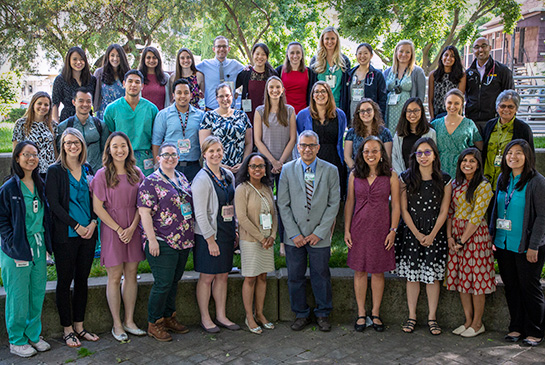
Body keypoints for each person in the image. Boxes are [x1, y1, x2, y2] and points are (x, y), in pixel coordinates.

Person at [278, 130, 341, 332]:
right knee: (295, 276)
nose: (307, 149)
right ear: (298, 147)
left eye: (311, 145)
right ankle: (300, 314)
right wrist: (294, 233)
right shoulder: (287, 170)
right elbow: (283, 204)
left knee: (321, 275)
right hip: (294, 236)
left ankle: (323, 313)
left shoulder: (330, 170)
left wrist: (320, 232)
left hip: (318, 236)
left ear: (318, 148)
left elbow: (334, 203)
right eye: (303, 145)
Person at [45, 128, 99, 347]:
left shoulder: (88, 168)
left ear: (82, 144)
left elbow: (97, 198)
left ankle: (79, 325)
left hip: (88, 233)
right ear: (62, 145)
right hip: (66, 235)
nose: (72, 146)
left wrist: (94, 222)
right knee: (65, 281)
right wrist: (76, 225)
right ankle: (67, 329)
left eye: (76, 142)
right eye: (68, 143)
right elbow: (54, 204)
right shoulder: (55, 171)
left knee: (83, 281)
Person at [90, 132, 146, 342]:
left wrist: (132, 227)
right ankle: (117, 324)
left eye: (123, 145)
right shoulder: (101, 175)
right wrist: (118, 229)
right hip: (112, 230)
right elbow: (97, 207)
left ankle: (130, 321)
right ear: (109, 150)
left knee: (131, 274)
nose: (120, 150)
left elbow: (143, 203)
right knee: (114, 277)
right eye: (115, 146)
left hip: (133, 227)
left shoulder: (137, 173)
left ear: (129, 149)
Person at [489, 139, 545, 347]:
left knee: (529, 287)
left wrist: (534, 246)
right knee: (511, 287)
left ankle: (535, 330)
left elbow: (542, 217)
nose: (513, 156)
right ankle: (516, 326)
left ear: (527, 155)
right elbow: (497, 209)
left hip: (527, 246)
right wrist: (492, 236)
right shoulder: (503, 178)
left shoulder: (537, 181)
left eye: (518, 153)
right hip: (504, 244)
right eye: (509, 153)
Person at [0, 141, 53, 358]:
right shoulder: (9, 188)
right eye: (26, 154)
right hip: (17, 250)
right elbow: (2, 219)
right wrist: (14, 242)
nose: (31, 158)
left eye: (35, 154)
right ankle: (17, 340)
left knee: (36, 292)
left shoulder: (41, 184)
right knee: (18, 296)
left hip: (38, 248)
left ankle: (33, 335)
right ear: (17, 157)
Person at [138, 142, 195, 341]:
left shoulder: (181, 177)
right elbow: (144, 212)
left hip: (183, 240)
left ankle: (169, 317)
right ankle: (154, 323)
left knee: (173, 281)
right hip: (162, 240)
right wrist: (151, 240)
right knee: (163, 283)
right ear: (158, 158)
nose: (170, 158)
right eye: (166, 155)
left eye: (174, 154)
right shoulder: (150, 182)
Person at [395, 137, 452, 336]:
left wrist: (432, 234)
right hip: (412, 232)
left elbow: (445, 210)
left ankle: (432, 317)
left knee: (432, 278)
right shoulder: (405, 178)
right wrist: (418, 233)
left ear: (435, 155)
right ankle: (412, 316)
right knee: (412, 277)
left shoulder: (444, 179)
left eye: (428, 152)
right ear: (414, 156)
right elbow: (403, 209)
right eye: (419, 153)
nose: (423, 156)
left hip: (435, 232)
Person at [344, 136, 400, 332]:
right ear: (361, 153)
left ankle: (375, 313)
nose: (370, 154)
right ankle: (361, 313)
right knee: (359, 270)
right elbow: (350, 202)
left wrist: (393, 230)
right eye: (366, 151)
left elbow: (397, 207)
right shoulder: (354, 175)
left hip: (381, 229)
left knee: (377, 271)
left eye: (375, 150)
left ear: (381, 154)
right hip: (359, 229)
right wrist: (346, 230)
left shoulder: (391, 176)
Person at [192, 136, 240, 333]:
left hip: (227, 232)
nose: (216, 154)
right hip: (208, 236)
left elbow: (233, 205)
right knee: (207, 277)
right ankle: (206, 318)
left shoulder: (228, 175)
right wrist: (210, 240)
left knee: (223, 275)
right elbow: (200, 214)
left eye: (218, 150)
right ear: (204, 155)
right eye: (211, 151)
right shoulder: (201, 180)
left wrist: (235, 229)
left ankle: (221, 315)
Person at [446, 148, 495, 338]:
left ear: (479, 164)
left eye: (472, 161)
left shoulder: (483, 186)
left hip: (475, 238)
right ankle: (467, 320)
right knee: (462, 280)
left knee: (477, 282)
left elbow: (476, 217)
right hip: (456, 236)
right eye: (464, 160)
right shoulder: (456, 185)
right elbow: (450, 212)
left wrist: (461, 240)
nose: (467, 164)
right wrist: (450, 237)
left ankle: (477, 323)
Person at [254, 76, 297, 257]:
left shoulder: (289, 111)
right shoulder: (259, 111)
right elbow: (257, 140)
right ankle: (265, 239)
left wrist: (281, 162)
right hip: (265, 166)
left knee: (284, 205)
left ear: (282, 90)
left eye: (277, 87)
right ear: (267, 90)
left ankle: (283, 242)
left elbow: (293, 138)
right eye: (271, 87)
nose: (274, 90)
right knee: (265, 206)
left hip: (286, 165)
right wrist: (272, 161)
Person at [234, 153, 277, 334]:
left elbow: (274, 214)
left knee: (263, 277)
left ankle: (260, 313)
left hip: (268, 241)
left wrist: (273, 236)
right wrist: (261, 238)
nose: (257, 169)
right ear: (247, 168)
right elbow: (242, 218)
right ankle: (249, 316)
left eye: (261, 166)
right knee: (250, 278)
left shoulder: (267, 188)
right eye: (253, 166)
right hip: (251, 241)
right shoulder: (242, 189)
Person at [297, 81, 347, 198]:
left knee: (334, 198)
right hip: (312, 162)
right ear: (312, 96)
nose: (320, 94)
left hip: (334, 161)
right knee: (312, 197)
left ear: (329, 94)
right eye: (317, 92)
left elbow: (340, 140)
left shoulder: (340, 115)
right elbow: (300, 137)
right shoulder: (302, 115)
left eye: (323, 91)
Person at [104, 69, 159, 176]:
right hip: (121, 157)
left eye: (137, 82)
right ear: (124, 84)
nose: (133, 85)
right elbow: (109, 135)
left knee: (146, 190)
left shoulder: (151, 109)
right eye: (130, 81)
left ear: (142, 86)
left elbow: (156, 138)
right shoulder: (112, 109)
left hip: (146, 160)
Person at [152, 78, 205, 182]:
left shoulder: (201, 115)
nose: (182, 96)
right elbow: (156, 142)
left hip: (194, 166)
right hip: (170, 165)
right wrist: (157, 165)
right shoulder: (163, 115)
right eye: (179, 93)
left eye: (186, 93)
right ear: (173, 95)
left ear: (191, 95)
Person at [482, 90, 534, 191]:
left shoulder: (523, 129)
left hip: (510, 182)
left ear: (516, 109)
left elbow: (530, 157)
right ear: (497, 108)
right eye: (502, 106)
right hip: (486, 181)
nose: (506, 109)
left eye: (510, 107)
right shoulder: (489, 125)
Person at [199, 83, 253, 174]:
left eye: (227, 95)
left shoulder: (242, 115)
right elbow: (204, 146)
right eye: (221, 96)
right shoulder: (209, 117)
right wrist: (220, 165)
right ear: (216, 98)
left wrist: (243, 163)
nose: (225, 99)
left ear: (232, 96)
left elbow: (249, 143)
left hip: (240, 168)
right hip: (217, 168)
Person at [466, 37, 515, 135]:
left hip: (494, 120)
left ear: (490, 48)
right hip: (472, 120)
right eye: (477, 47)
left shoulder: (502, 71)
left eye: (484, 46)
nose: (480, 50)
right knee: (474, 150)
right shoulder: (468, 73)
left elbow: (510, 96)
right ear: (473, 50)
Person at [431, 89, 483, 177]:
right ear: (445, 103)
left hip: (462, 168)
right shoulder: (435, 124)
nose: (452, 106)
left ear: (462, 105)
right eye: (449, 103)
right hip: (440, 168)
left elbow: (480, 146)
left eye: (456, 103)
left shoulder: (469, 124)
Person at [56, 88, 109, 173]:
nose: (85, 104)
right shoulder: (64, 126)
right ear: (74, 102)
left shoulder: (100, 125)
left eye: (88, 101)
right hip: (72, 174)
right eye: (81, 101)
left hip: (96, 174)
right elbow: (60, 153)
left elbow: (105, 151)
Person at [383, 40, 426, 132]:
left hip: (408, 113)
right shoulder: (387, 72)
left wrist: (415, 113)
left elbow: (420, 97)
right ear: (396, 53)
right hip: (390, 113)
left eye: (407, 52)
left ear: (412, 54)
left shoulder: (417, 72)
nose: (404, 54)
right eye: (401, 51)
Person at [12, 92, 57, 177]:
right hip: (29, 169)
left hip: (49, 170)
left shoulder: (53, 125)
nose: (42, 107)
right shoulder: (21, 124)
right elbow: (16, 149)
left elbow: (54, 148)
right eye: (39, 103)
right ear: (33, 104)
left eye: (46, 105)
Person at [344, 98, 393, 170]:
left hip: (379, 173)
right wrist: (358, 172)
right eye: (362, 111)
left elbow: (387, 157)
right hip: (357, 173)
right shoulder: (351, 133)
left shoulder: (385, 133)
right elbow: (347, 157)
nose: (366, 113)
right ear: (358, 114)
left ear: (374, 112)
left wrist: (375, 173)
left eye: (369, 110)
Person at [197, 36, 244, 110]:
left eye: (224, 46)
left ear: (229, 49)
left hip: (230, 111)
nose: (221, 49)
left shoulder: (235, 65)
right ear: (213, 49)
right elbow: (188, 70)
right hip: (211, 111)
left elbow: (249, 70)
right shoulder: (204, 65)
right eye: (218, 46)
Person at [391, 97, 436, 175]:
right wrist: (402, 177)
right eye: (409, 111)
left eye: (416, 111)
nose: (412, 114)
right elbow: (394, 157)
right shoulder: (399, 135)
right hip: (404, 179)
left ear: (422, 111)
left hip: (424, 177)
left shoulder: (430, 133)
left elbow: (433, 156)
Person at [235, 43, 278, 124]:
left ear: (267, 57)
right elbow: (233, 86)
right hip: (249, 116)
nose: (260, 57)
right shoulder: (246, 73)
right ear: (253, 55)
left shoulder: (272, 74)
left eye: (263, 54)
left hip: (268, 116)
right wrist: (236, 92)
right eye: (257, 54)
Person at [309, 26, 351, 107]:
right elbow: (311, 86)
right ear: (322, 40)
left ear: (337, 40)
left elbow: (346, 87)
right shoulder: (315, 61)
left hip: (338, 105)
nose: (329, 41)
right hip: (320, 105)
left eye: (332, 38)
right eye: (327, 38)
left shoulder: (344, 61)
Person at [52, 46, 96, 122]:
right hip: (67, 120)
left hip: (87, 120)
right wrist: (56, 124)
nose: (78, 62)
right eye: (75, 59)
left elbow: (95, 101)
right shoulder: (60, 79)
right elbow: (55, 104)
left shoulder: (92, 80)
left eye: (81, 59)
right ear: (69, 60)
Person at [344, 43, 387, 119]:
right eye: (359, 53)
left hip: (370, 117)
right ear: (356, 56)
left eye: (365, 53)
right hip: (352, 115)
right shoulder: (349, 74)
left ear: (371, 55)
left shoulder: (377, 75)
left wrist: (379, 118)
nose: (362, 56)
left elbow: (382, 99)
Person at [428, 46, 467, 120]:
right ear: (441, 57)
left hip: (455, 116)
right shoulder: (433, 75)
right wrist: (432, 118)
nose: (448, 58)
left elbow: (460, 99)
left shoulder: (461, 76)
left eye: (452, 56)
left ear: (456, 59)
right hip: (437, 116)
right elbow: (430, 100)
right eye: (446, 55)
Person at [275, 42, 315, 114]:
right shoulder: (279, 71)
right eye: (292, 53)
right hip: (284, 113)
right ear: (287, 54)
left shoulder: (310, 73)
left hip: (304, 113)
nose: (295, 55)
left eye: (298, 52)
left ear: (302, 54)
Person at [93, 44, 130, 119]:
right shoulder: (99, 73)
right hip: (104, 113)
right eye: (112, 55)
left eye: (118, 56)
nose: (115, 58)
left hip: (123, 114)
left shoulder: (128, 74)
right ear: (108, 57)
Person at [138, 46, 170, 111]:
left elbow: (170, 99)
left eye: (154, 58)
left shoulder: (166, 77)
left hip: (162, 117)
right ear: (144, 59)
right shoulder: (138, 77)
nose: (151, 60)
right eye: (148, 58)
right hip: (143, 117)